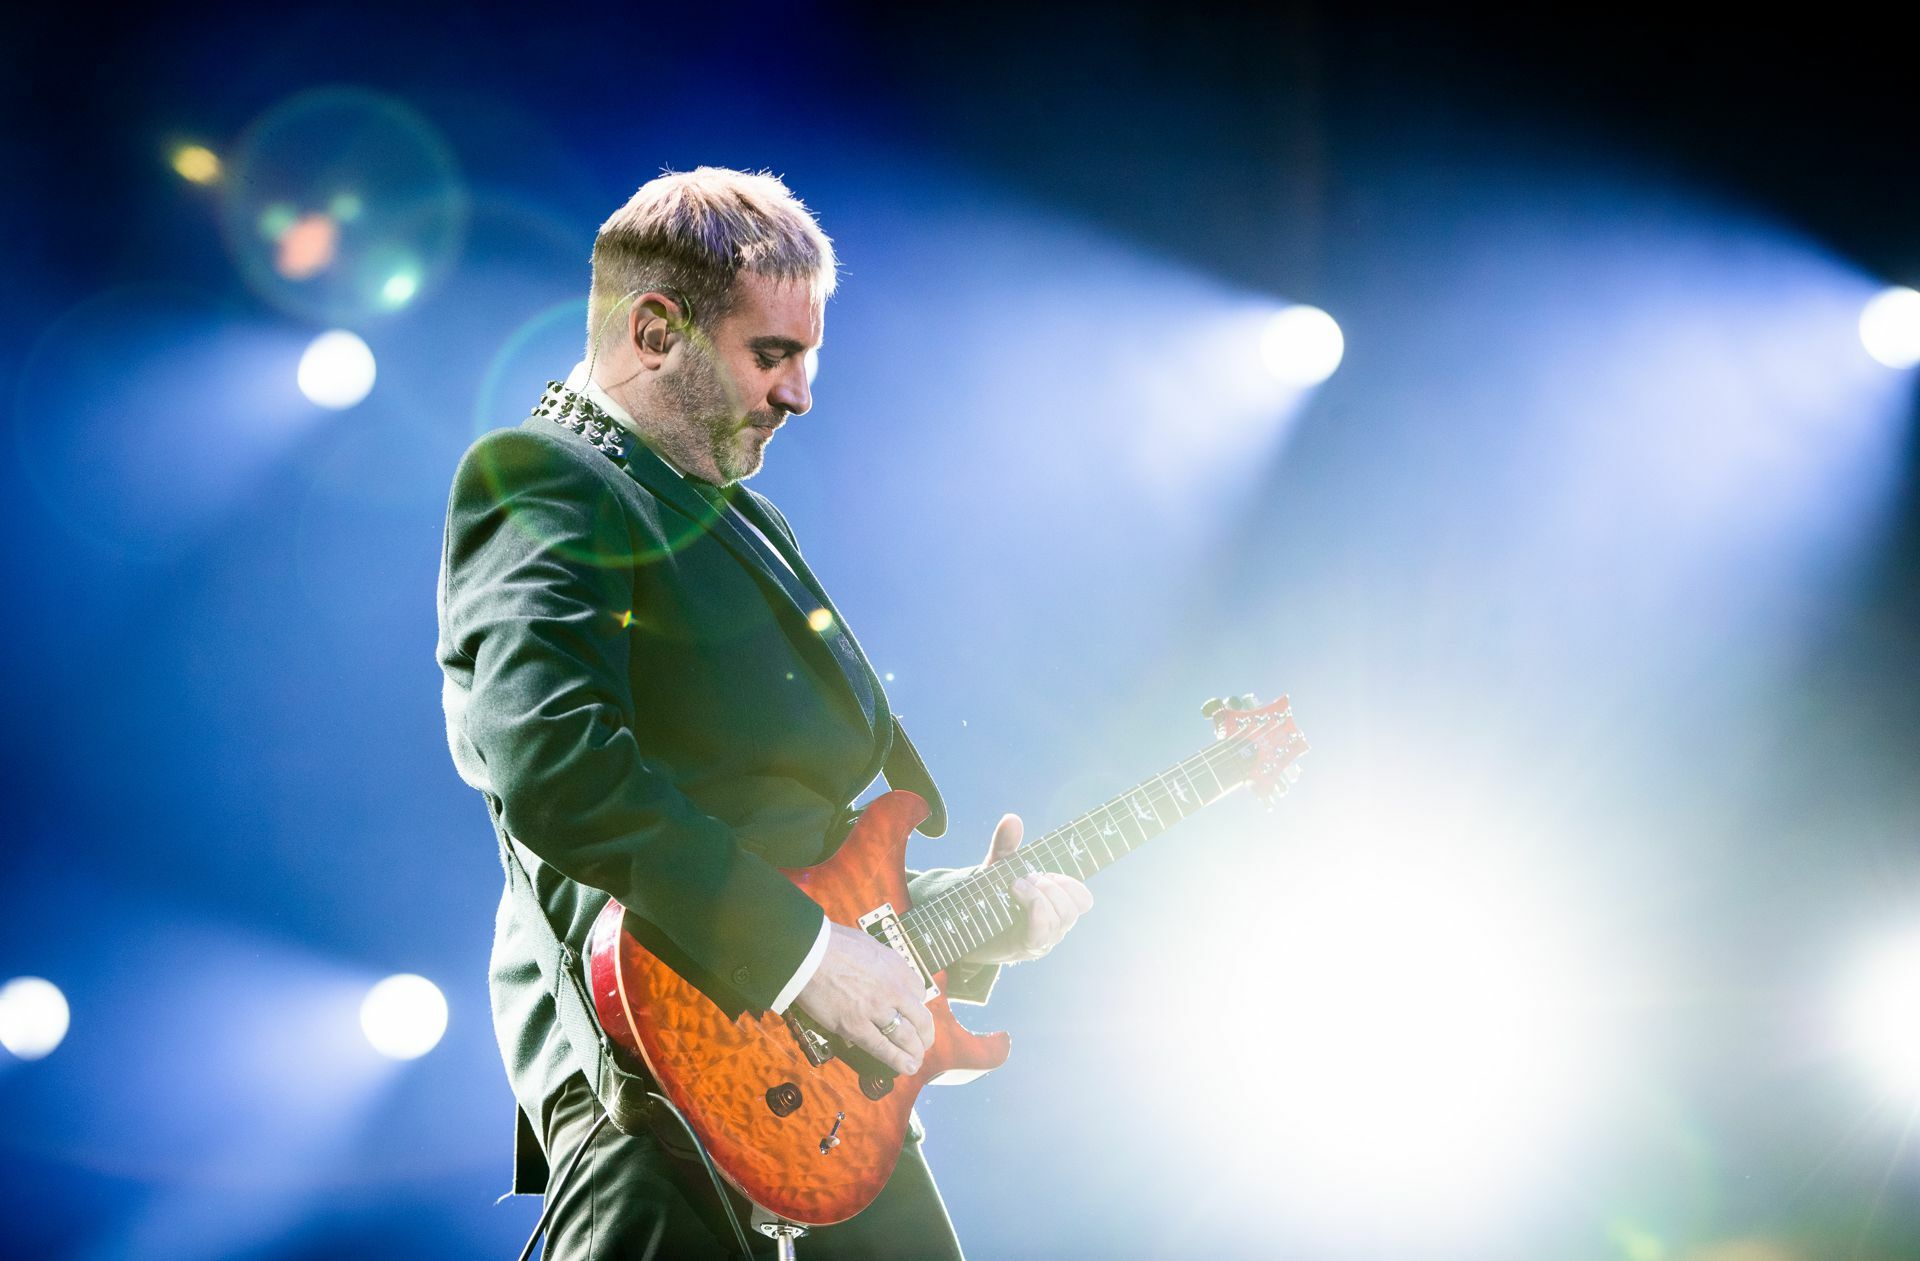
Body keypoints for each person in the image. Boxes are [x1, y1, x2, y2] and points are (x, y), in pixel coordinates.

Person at [436, 167, 1094, 1259]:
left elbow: (792, 841)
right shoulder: (541, 476)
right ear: (656, 331)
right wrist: (806, 957)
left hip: (821, 1093)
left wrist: (969, 912)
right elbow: (557, 767)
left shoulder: (747, 523)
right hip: (668, 1082)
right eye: (772, 353)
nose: (799, 395)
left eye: (808, 358)